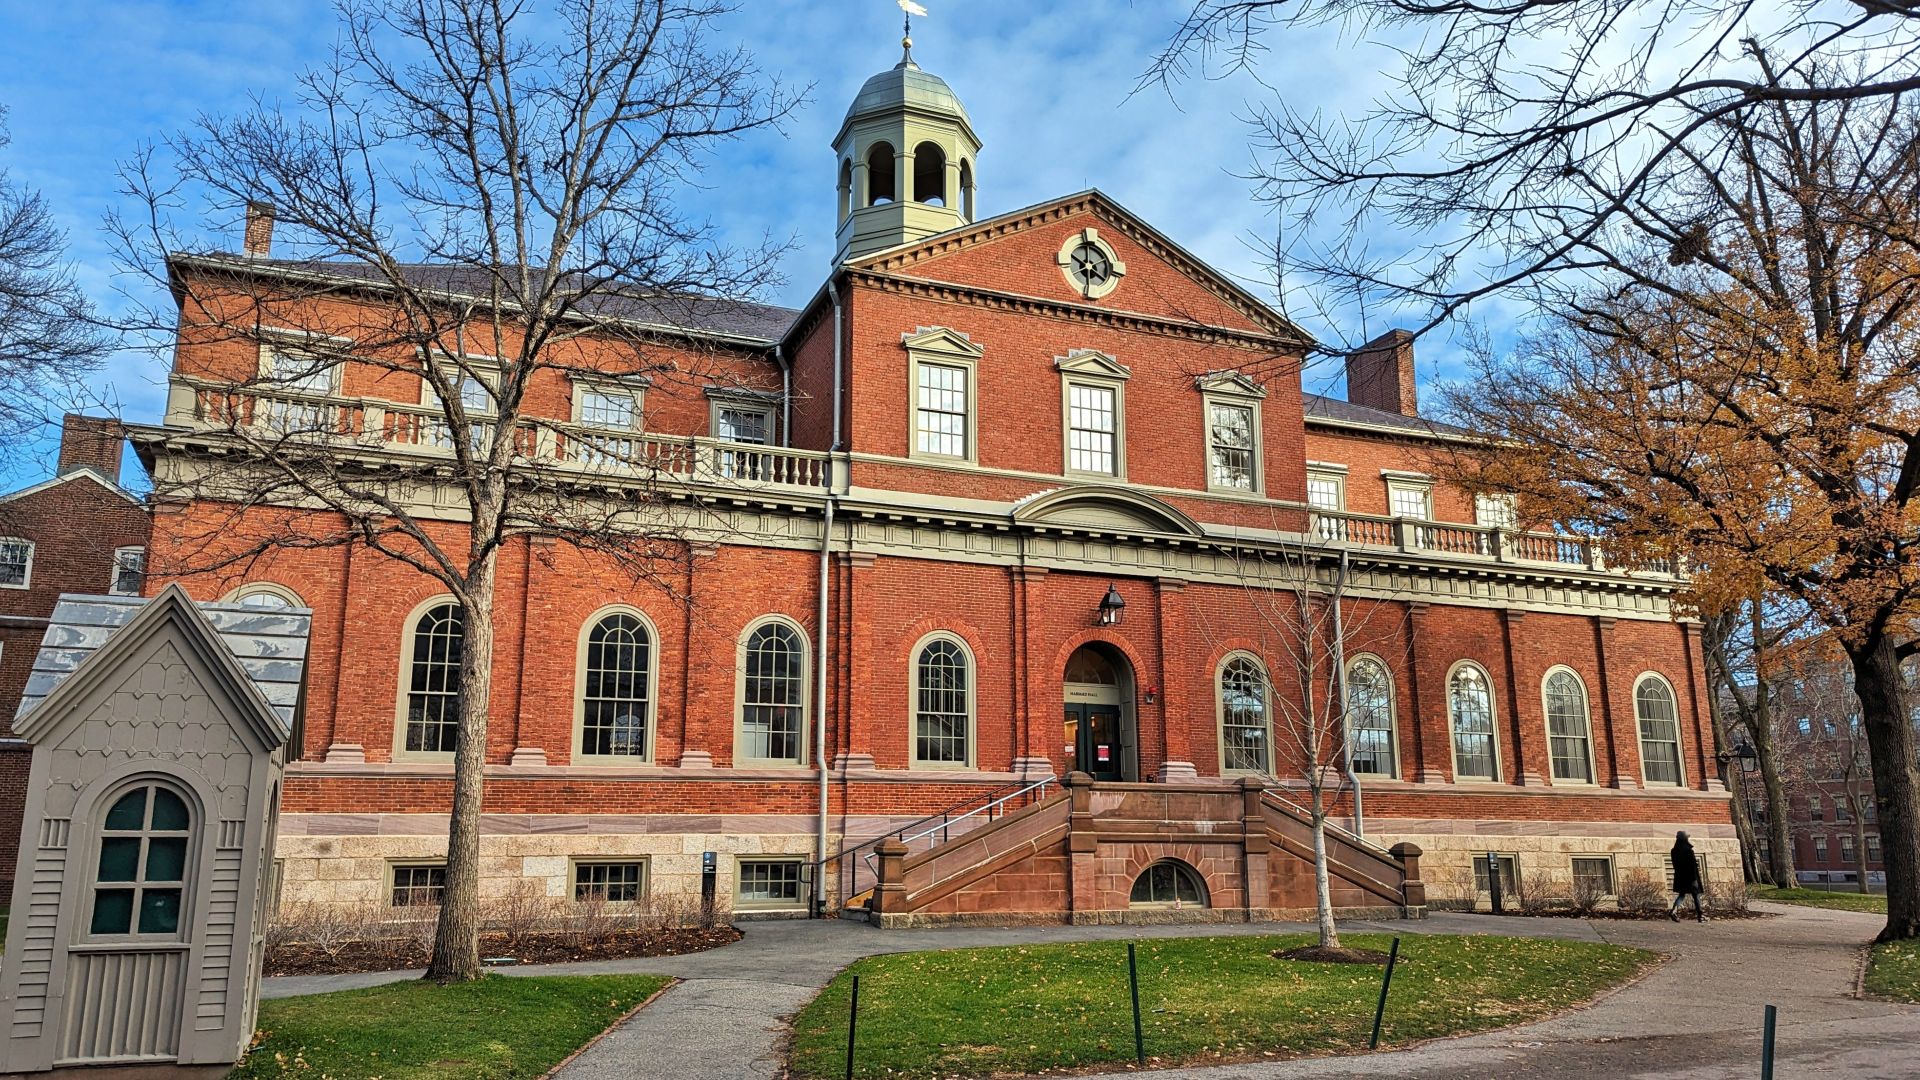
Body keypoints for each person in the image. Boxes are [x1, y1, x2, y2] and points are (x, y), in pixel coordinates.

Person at [1669, 830, 1706, 922]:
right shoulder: (1689, 851)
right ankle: (1700, 916)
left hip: (1680, 876)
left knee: (1682, 894)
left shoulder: (1674, 851)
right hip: (1690, 877)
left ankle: (1674, 911)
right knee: (1696, 895)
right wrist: (1694, 879)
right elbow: (1692, 866)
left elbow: (1675, 864)